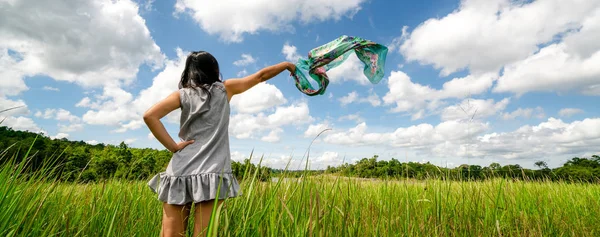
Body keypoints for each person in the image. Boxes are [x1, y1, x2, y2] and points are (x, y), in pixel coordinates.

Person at [143, 51, 295, 237]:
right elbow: (260, 76)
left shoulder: (182, 95)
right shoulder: (225, 89)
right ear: (214, 69)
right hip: (211, 172)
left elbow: (150, 116)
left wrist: (174, 147)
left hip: (179, 171)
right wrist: (287, 65)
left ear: (190, 72)